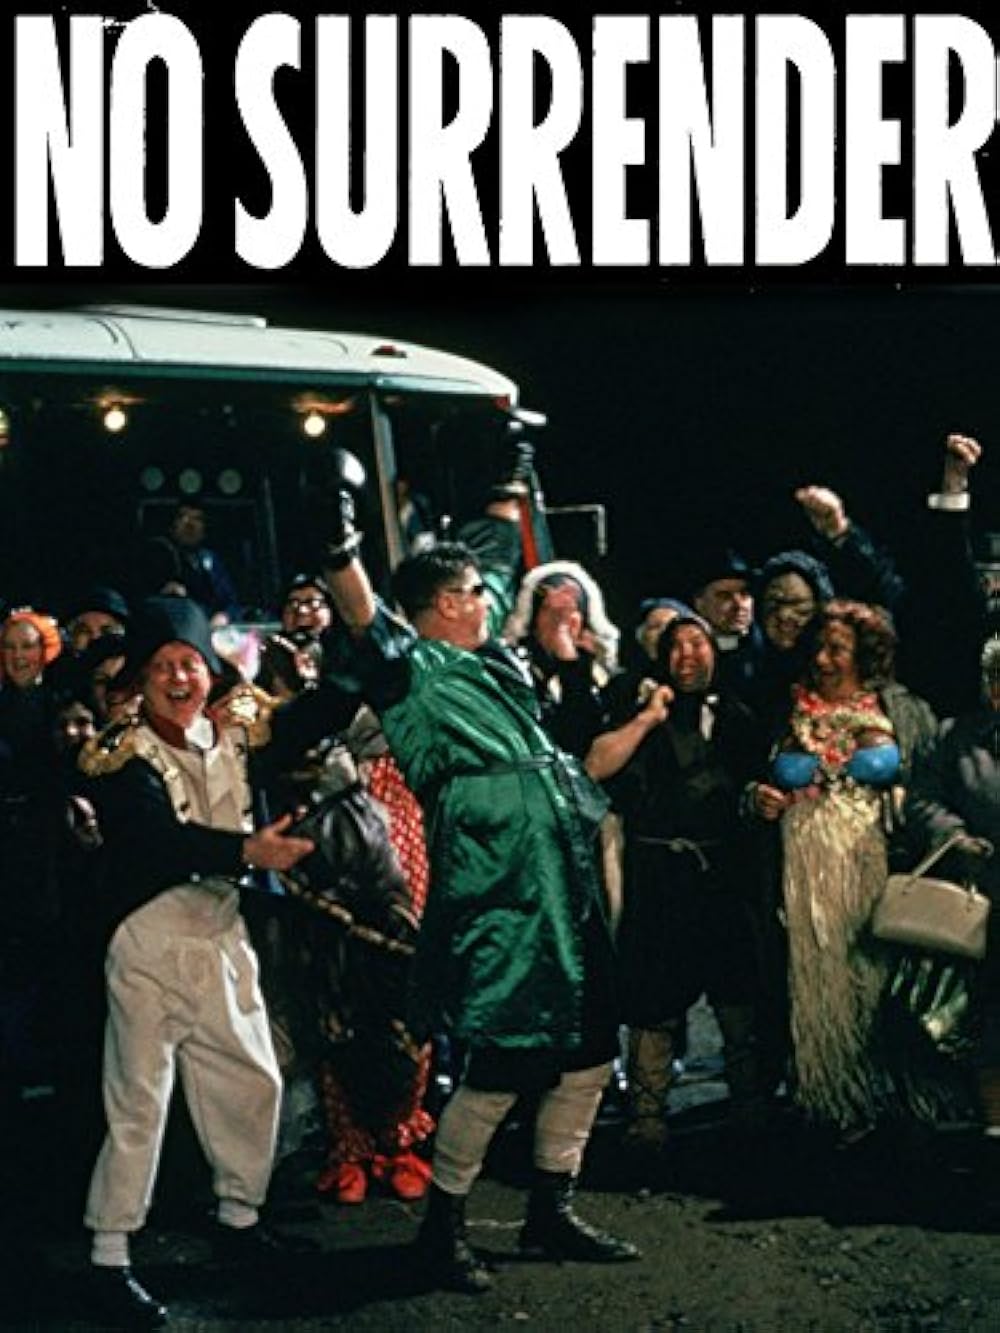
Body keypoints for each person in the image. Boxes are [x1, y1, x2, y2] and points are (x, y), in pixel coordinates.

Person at [317, 448, 640, 1294]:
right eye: (469, 591)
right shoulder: (411, 670)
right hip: (501, 889)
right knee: (501, 1061)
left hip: (562, 878)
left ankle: (550, 1206)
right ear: (441, 605)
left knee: (589, 1049)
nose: (485, 599)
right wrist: (339, 542)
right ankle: (444, 1227)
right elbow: (363, 616)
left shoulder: (497, 665)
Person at [77, 596, 317, 1329]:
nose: (178, 678)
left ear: (209, 671)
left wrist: (356, 658)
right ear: (141, 678)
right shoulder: (120, 752)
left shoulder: (235, 732)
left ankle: (239, 1219)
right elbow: (155, 839)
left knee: (251, 1076)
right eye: (162, 666)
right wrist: (247, 850)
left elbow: (310, 721)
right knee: (138, 1100)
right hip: (150, 936)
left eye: (189, 663)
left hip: (219, 928)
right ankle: (110, 1254)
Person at [753, 599, 943, 1139]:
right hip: (807, 864)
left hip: (874, 858)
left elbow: (930, 779)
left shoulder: (899, 708)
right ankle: (836, 1093)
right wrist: (757, 797)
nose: (824, 659)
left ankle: (897, 1092)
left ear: (865, 652)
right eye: (818, 647)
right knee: (822, 978)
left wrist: (902, 793)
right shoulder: (785, 707)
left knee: (880, 969)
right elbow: (747, 774)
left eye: (838, 649)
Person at [587, 611, 769, 1157]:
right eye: (677, 646)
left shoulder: (737, 715)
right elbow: (597, 766)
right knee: (654, 998)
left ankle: (751, 1109)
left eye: (698, 643)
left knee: (737, 993)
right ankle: (648, 1116)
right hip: (659, 875)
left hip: (723, 875)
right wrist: (649, 716)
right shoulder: (637, 711)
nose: (688, 655)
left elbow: (753, 779)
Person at [904, 629, 1000, 1174]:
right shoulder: (953, 737)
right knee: (988, 1020)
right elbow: (922, 798)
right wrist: (953, 835)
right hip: (981, 900)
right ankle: (994, 1131)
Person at [143, 503, 241, 624]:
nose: (190, 525)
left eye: (197, 519)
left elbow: (231, 602)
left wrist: (225, 616)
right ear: (172, 527)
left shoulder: (209, 559)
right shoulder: (157, 554)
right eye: (182, 517)